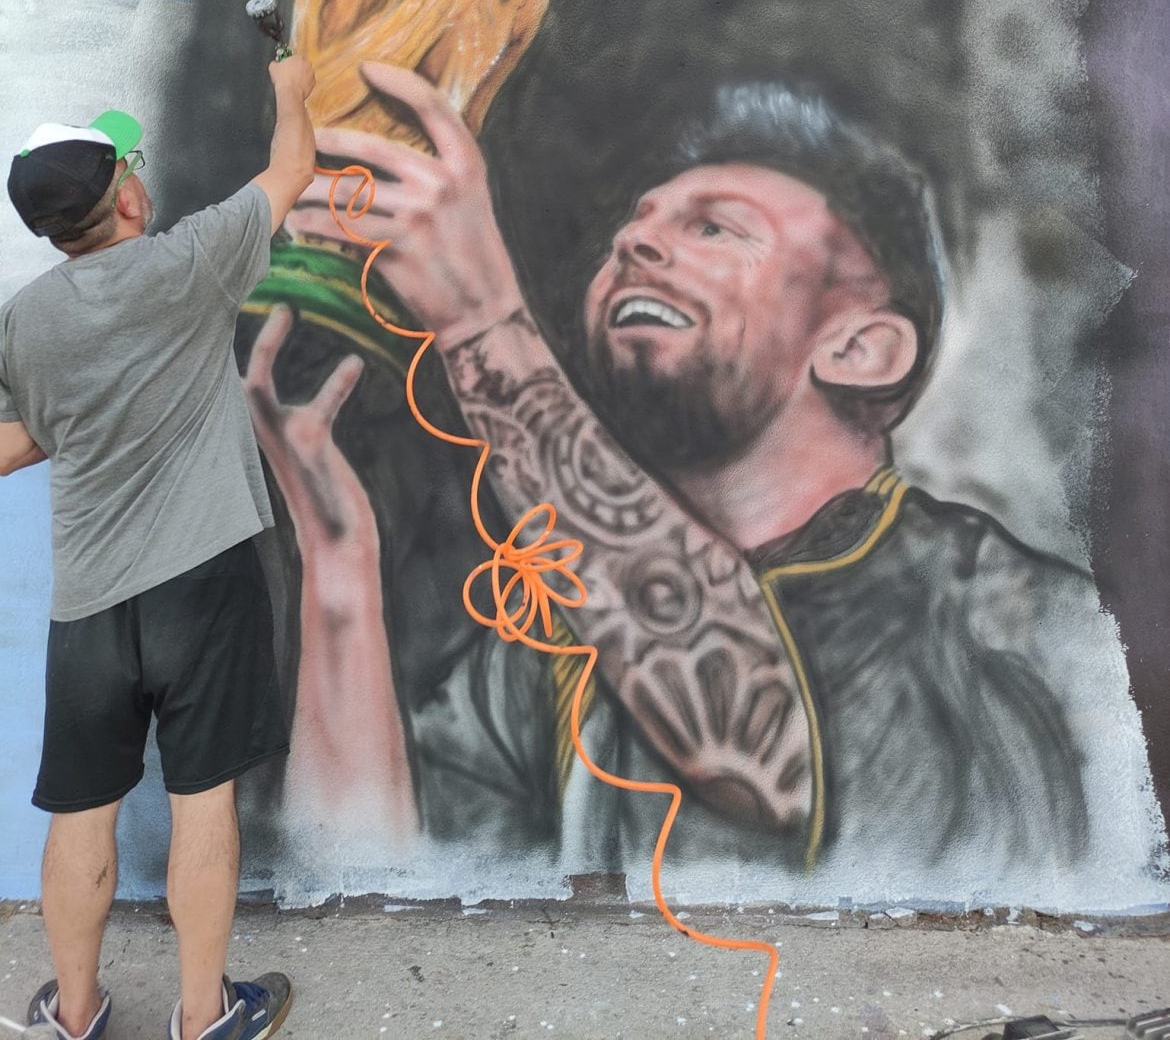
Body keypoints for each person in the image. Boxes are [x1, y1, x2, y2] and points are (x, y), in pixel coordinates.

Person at [252, 68, 1099, 876]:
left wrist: (480, 318)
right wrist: (338, 574)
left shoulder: (1013, 619)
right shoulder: (546, 641)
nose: (634, 239)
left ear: (859, 347)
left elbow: (768, 758)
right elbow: (376, 885)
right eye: (640, 220)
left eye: (714, 227)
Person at [0, 56, 317, 1040]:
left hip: (90, 598)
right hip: (203, 581)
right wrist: (293, 88)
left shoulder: (27, 320)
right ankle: (202, 1014)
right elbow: (292, 168)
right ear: (129, 196)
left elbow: (23, 439)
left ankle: (77, 1011)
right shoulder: (194, 261)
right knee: (201, 800)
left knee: (81, 807)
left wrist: (92, 421)